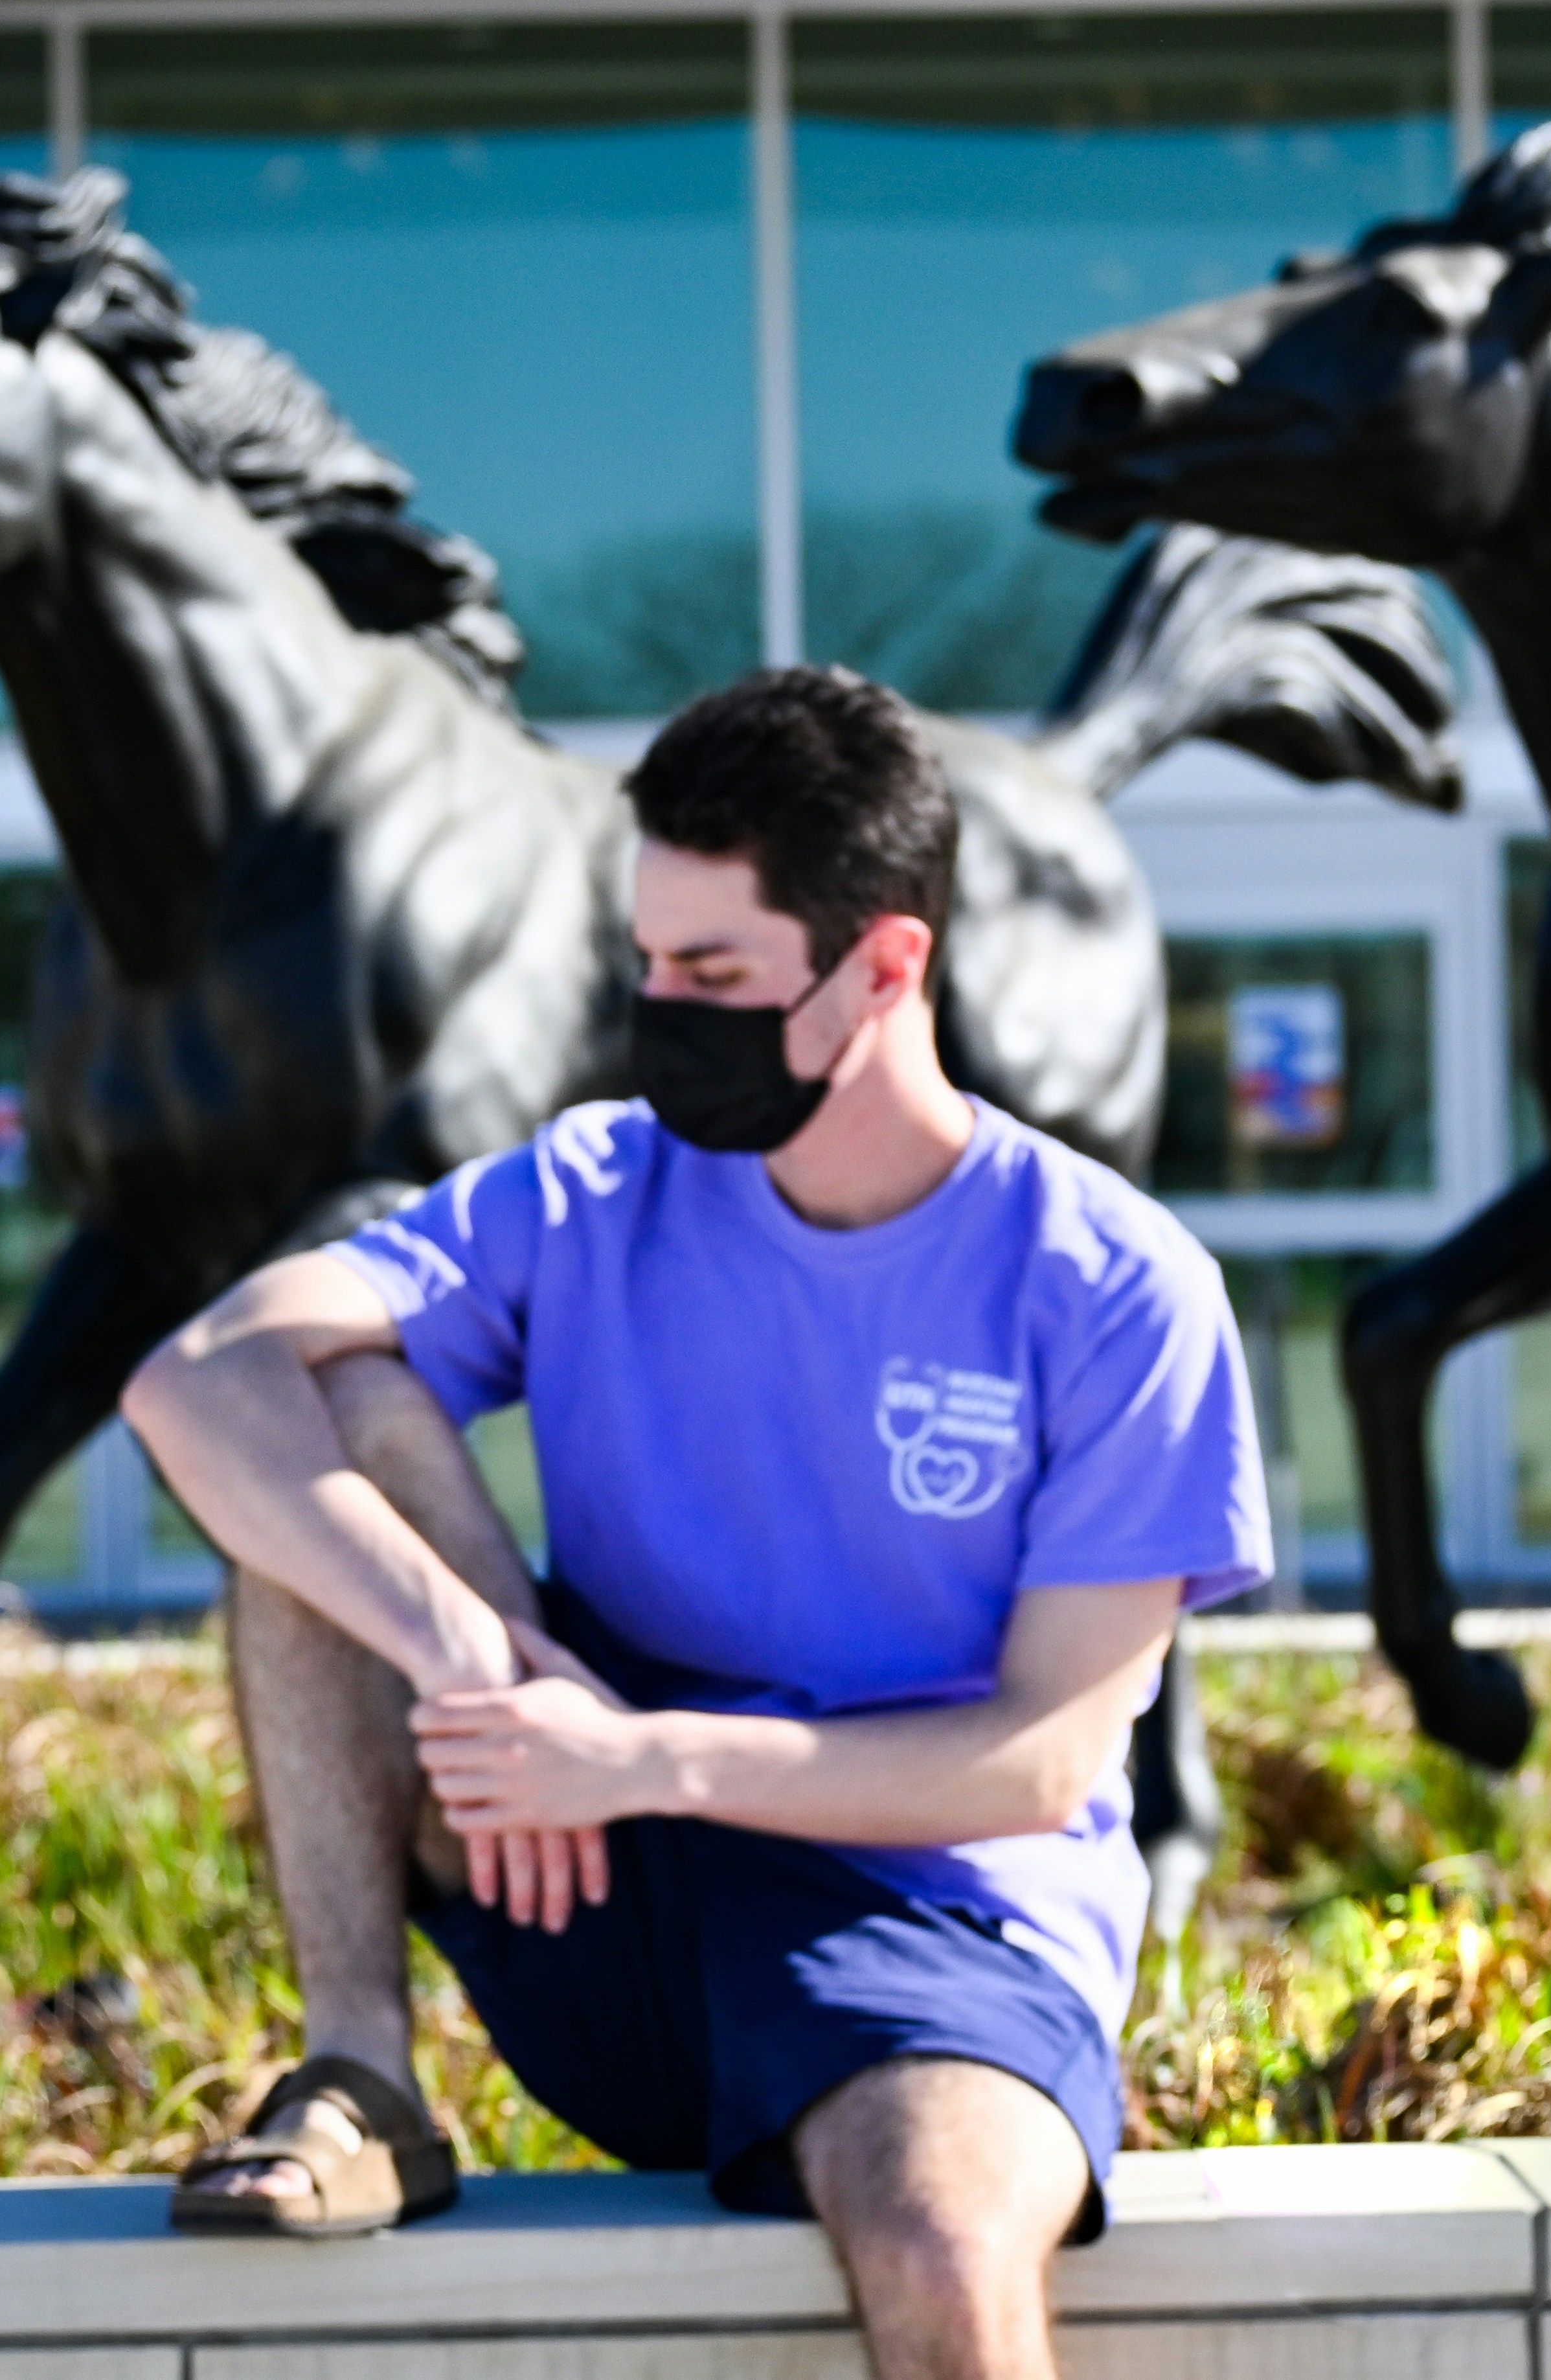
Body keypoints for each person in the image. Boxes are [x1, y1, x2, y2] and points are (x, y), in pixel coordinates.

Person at [121, 665, 1271, 2380]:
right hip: (590, 1869)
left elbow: (1040, 1760)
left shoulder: (1110, 1286)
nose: (663, 1009)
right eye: (648, 964)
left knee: (943, 2235)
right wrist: (480, 1660)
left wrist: (641, 1754)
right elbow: (195, 1378)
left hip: (933, 1926)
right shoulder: (592, 1184)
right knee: (338, 1410)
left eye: (715, 974)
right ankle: (361, 2071)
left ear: (885, 965)